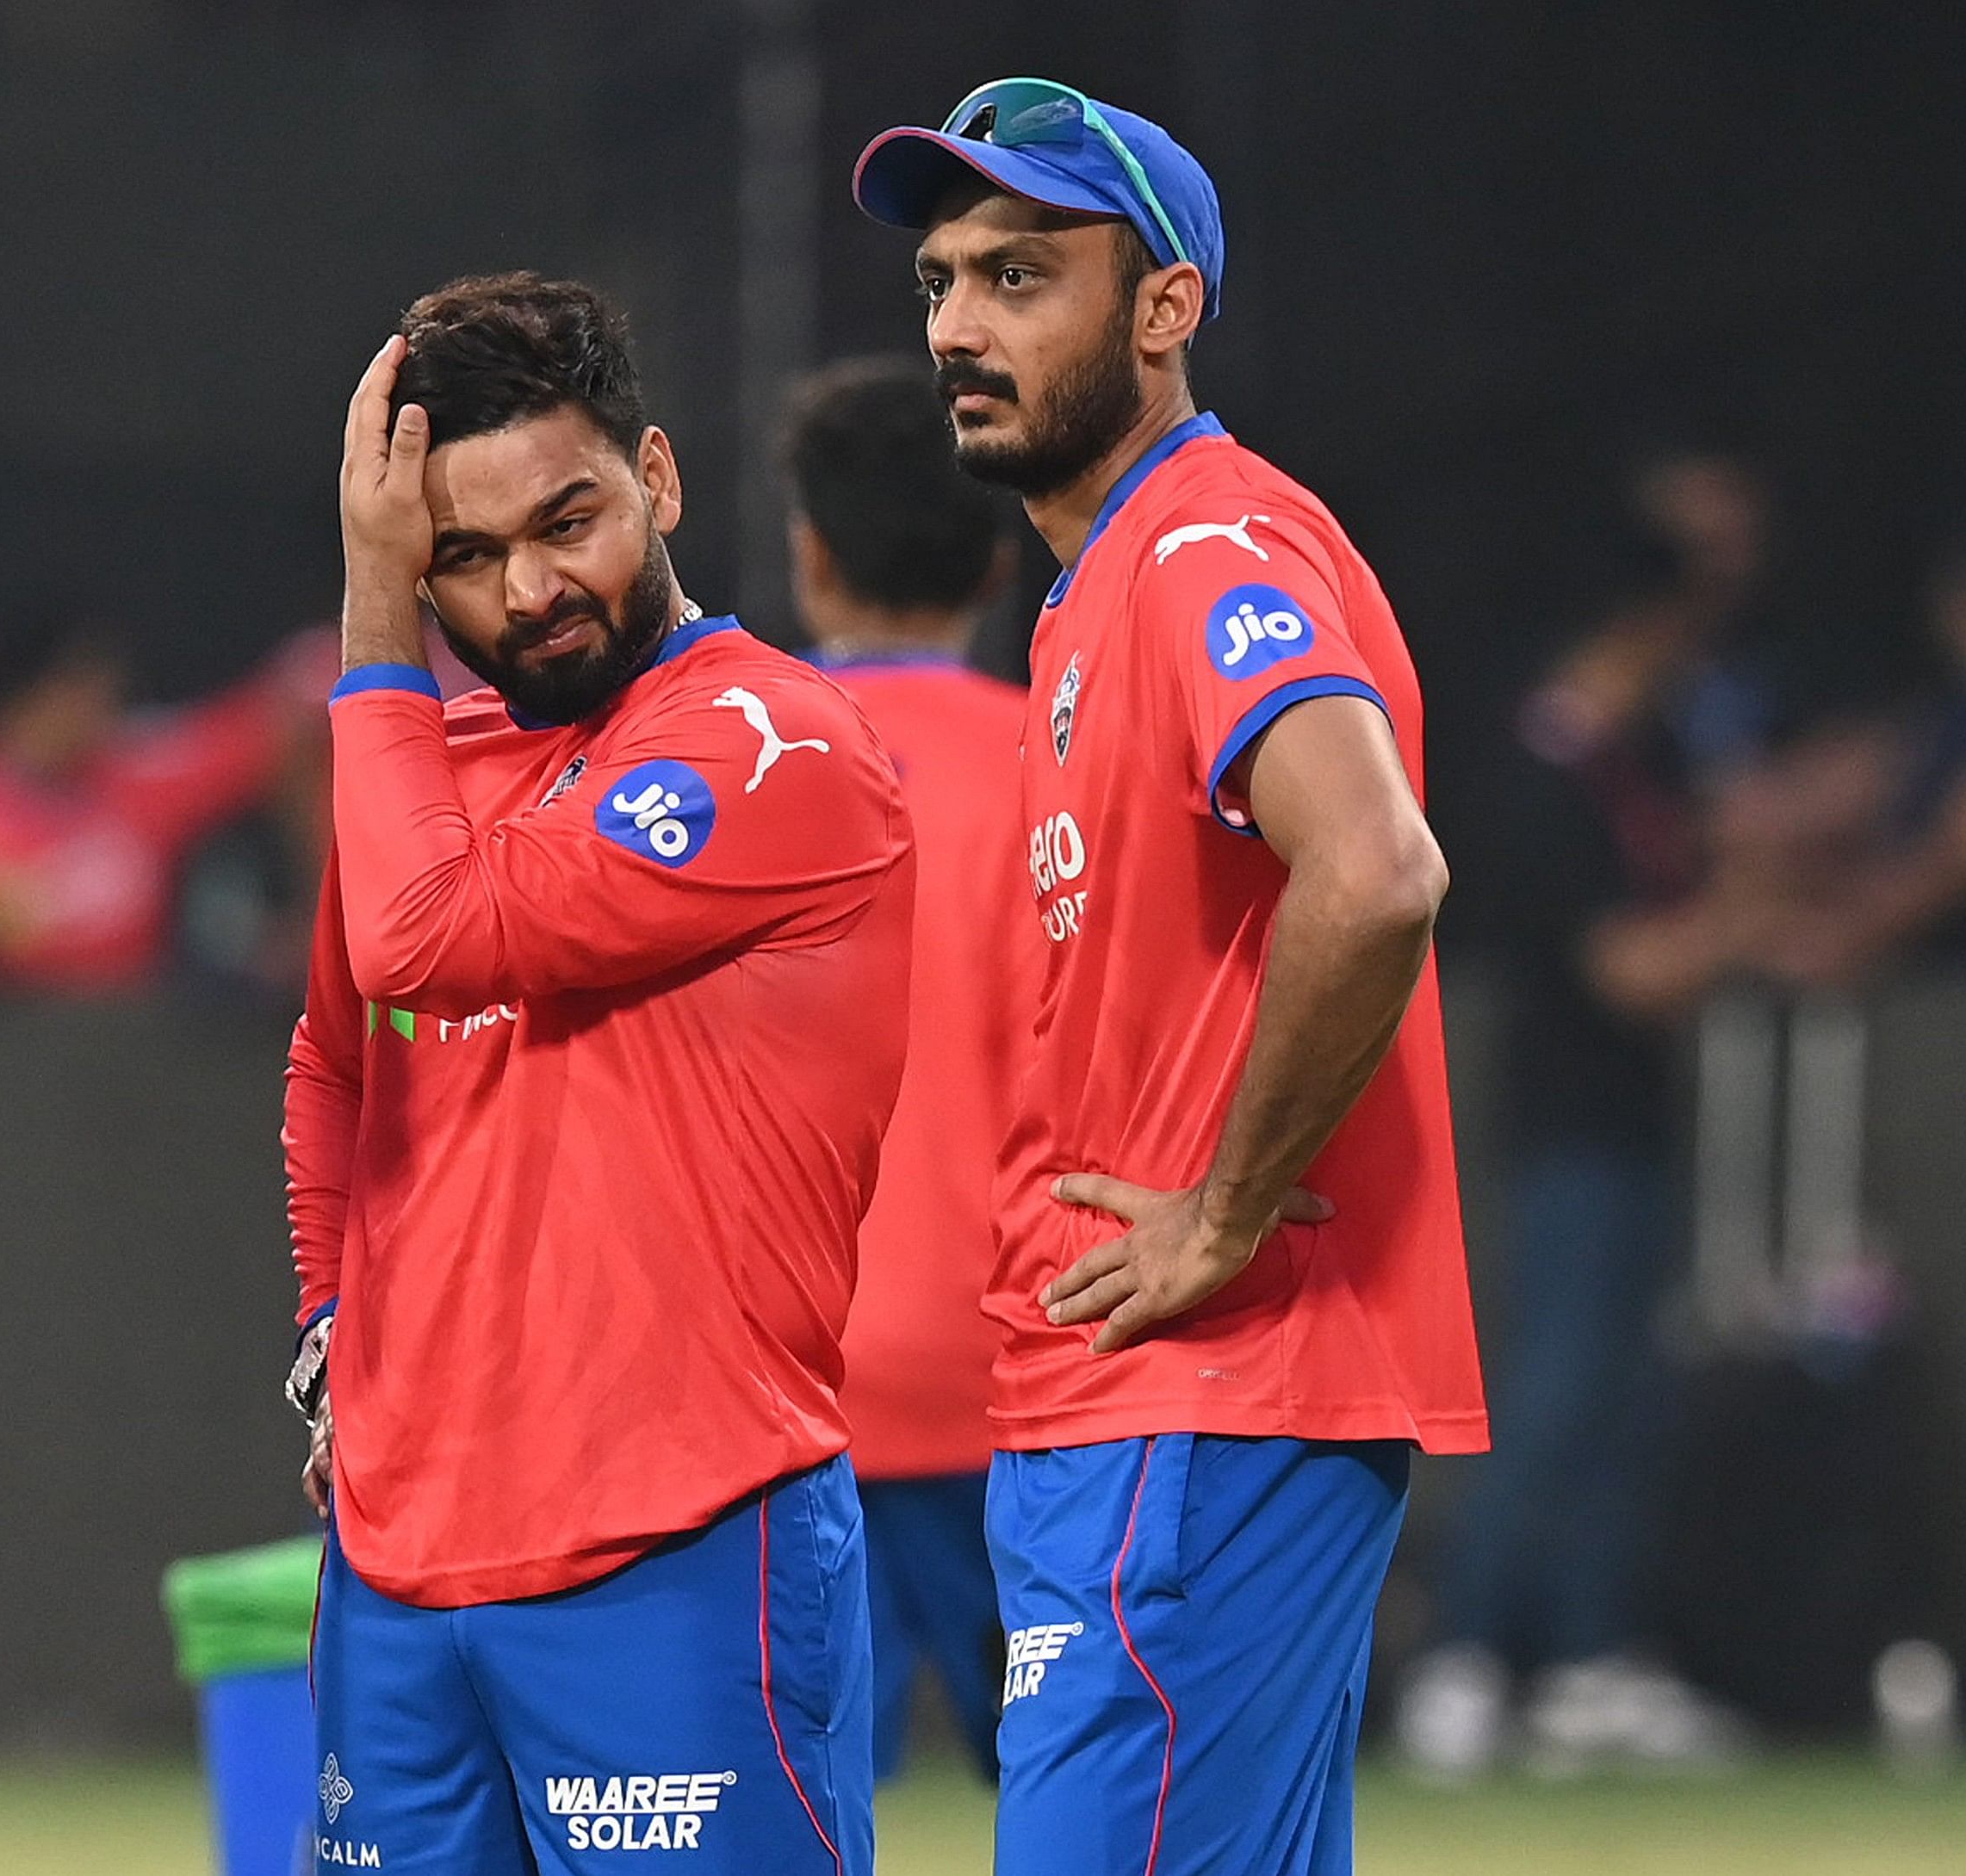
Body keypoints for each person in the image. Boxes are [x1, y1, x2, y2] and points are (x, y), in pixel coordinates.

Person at [855, 79, 1485, 1873]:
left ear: (1161, 308)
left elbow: (1372, 874)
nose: (961, 325)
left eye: (1019, 275)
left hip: (1206, 1393)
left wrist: (1220, 1213)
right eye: (938, 281)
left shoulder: (1204, 547)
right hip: (1160, 1408)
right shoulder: (1092, 589)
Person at [288, 273, 915, 1874]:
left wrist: (374, 607)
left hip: (680, 1545)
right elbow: (331, 1060)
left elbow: (427, 939)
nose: (531, 590)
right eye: (461, 560)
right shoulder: (428, 777)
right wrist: (329, 1328)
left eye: (568, 518)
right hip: (399, 1570)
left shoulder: (768, 743)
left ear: (659, 474)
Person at [1398, 457, 1779, 1779]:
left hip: (1636, 1126)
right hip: (1564, 1130)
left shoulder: (1652, 750)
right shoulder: (1544, 764)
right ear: (1643, 614)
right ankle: (1464, 1658)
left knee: (1627, 1398)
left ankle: (1586, 1659)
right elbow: (1625, 967)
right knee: (1554, 1395)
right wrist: (1767, 913)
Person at [783, 355, 1026, 1784]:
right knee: (1087, 1808)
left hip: (780, 1390)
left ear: (809, 553)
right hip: (1023, 1386)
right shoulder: (1067, 770)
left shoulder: (708, 767)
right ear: (1001, 558)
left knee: (784, 1818)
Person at [0, 602, 324, 994]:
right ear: (30, 694)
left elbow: (294, 711)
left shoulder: (136, 779)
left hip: (117, 1069)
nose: (102, 709)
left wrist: (319, 927)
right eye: (83, 691)